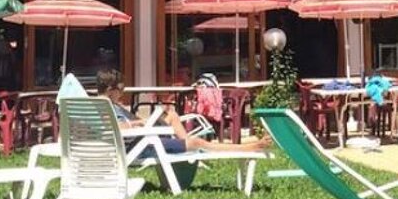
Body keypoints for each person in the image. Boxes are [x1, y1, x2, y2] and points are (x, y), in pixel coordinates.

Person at [95, 69, 269, 153]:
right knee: (198, 142)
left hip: (141, 139)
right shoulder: (103, 106)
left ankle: (184, 142)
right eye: (121, 88)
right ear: (111, 90)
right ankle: (249, 147)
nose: (123, 92)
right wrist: (138, 123)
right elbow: (112, 130)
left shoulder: (109, 104)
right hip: (137, 145)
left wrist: (140, 122)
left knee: (171, 115)